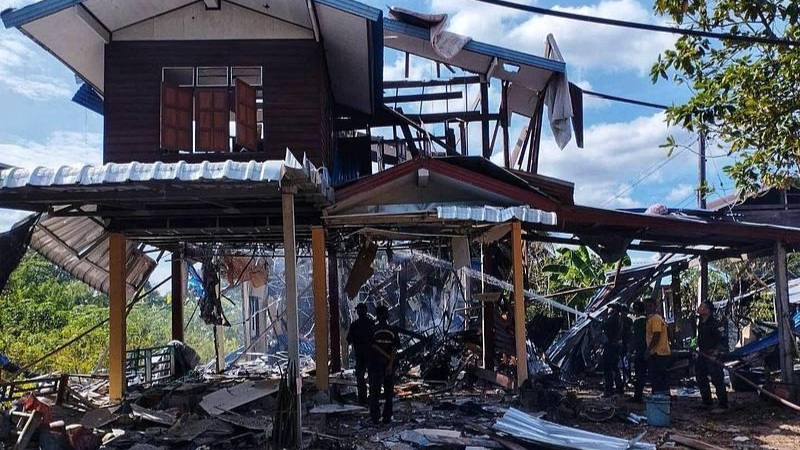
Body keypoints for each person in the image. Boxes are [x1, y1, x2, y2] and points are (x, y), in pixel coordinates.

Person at [369, 305, 400, 424]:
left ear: (377, 316)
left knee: (375, 392)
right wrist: (390, 364)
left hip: (375, 364)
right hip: (388, 365)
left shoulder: (373, 329)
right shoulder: (392, 330)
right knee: (388, 392)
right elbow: (394, 349)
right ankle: (387, 416)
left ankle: (375, 416)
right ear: (387, 315)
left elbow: (372, 346)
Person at [695, 301, 728, 409]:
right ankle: (707, 401)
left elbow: (722, 340)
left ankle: (723, 404)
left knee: (717, 379)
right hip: (702, 354)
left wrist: (716, 353)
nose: (699, 308)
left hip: (713, 355)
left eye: (701, 306)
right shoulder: (701, 322)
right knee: (700, 376)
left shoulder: (715, 324)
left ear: (707, 310)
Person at [346, 303, 374, 405]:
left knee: (360, 377)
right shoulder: (371, 324)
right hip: (370, 354)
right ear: (366, 312)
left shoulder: (354, 325)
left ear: (358, 312)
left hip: (359, 354)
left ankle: (362, 400)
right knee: (372, 376)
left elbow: (349, 340)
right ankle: (372, 398)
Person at [645, 299, 671, 395]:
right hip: (658, 351)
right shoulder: (654, 318)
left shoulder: (655, 318)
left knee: (657, 376)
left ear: (655, 307)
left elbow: (656, 335)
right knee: (658, 376)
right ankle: (661, 395)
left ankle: (661, 396)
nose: (648, 308)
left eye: (650, 306)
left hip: (658, 352)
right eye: (646, 306)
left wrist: (648, 350)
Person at [602, 303, 625, 397]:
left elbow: (604, 325)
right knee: (614, 367)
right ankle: (619, 388)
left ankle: (609, 389)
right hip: (616, 345)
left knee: (607, 367)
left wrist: (602, 317)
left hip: (611, 345)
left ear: (614, 310)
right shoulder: (619, 318)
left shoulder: (613, 318)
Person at [630, 301, 649, 402]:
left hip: (640, 351)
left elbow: (636, 338)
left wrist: (630, 350)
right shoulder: (647, 320)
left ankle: (638, 396)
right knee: (643, 374)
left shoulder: (637, 322)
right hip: (648, 350)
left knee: (639, 375)